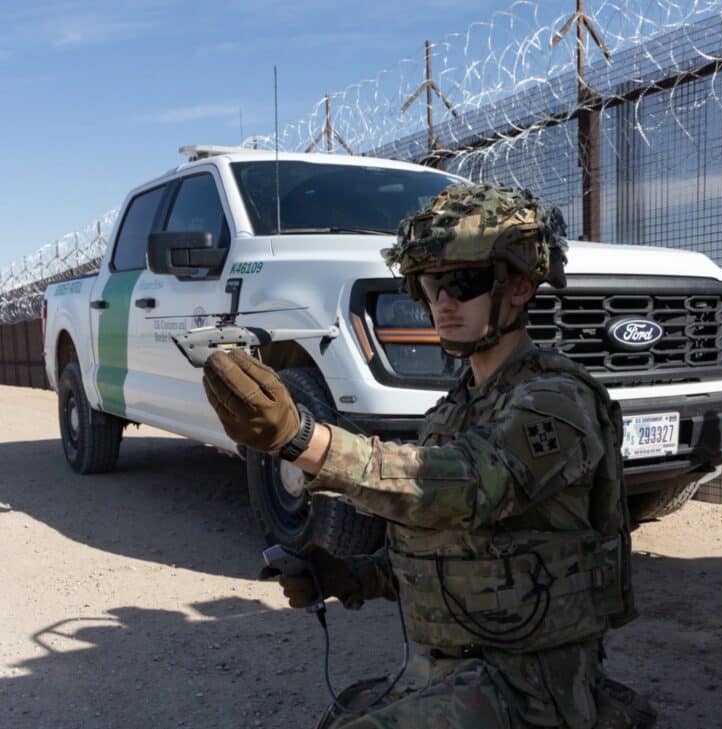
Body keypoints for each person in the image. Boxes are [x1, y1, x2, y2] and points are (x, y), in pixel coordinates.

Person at [202, 183, 656, 728]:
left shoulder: (557, 402)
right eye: (429, 283)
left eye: (462, 283)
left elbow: (462, 488)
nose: (442, 302)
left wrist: (305, 440)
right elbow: (458, 552)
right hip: (449, 673)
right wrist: (352, 577)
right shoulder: (458, 406)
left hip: (529, 688)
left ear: (520, 287)